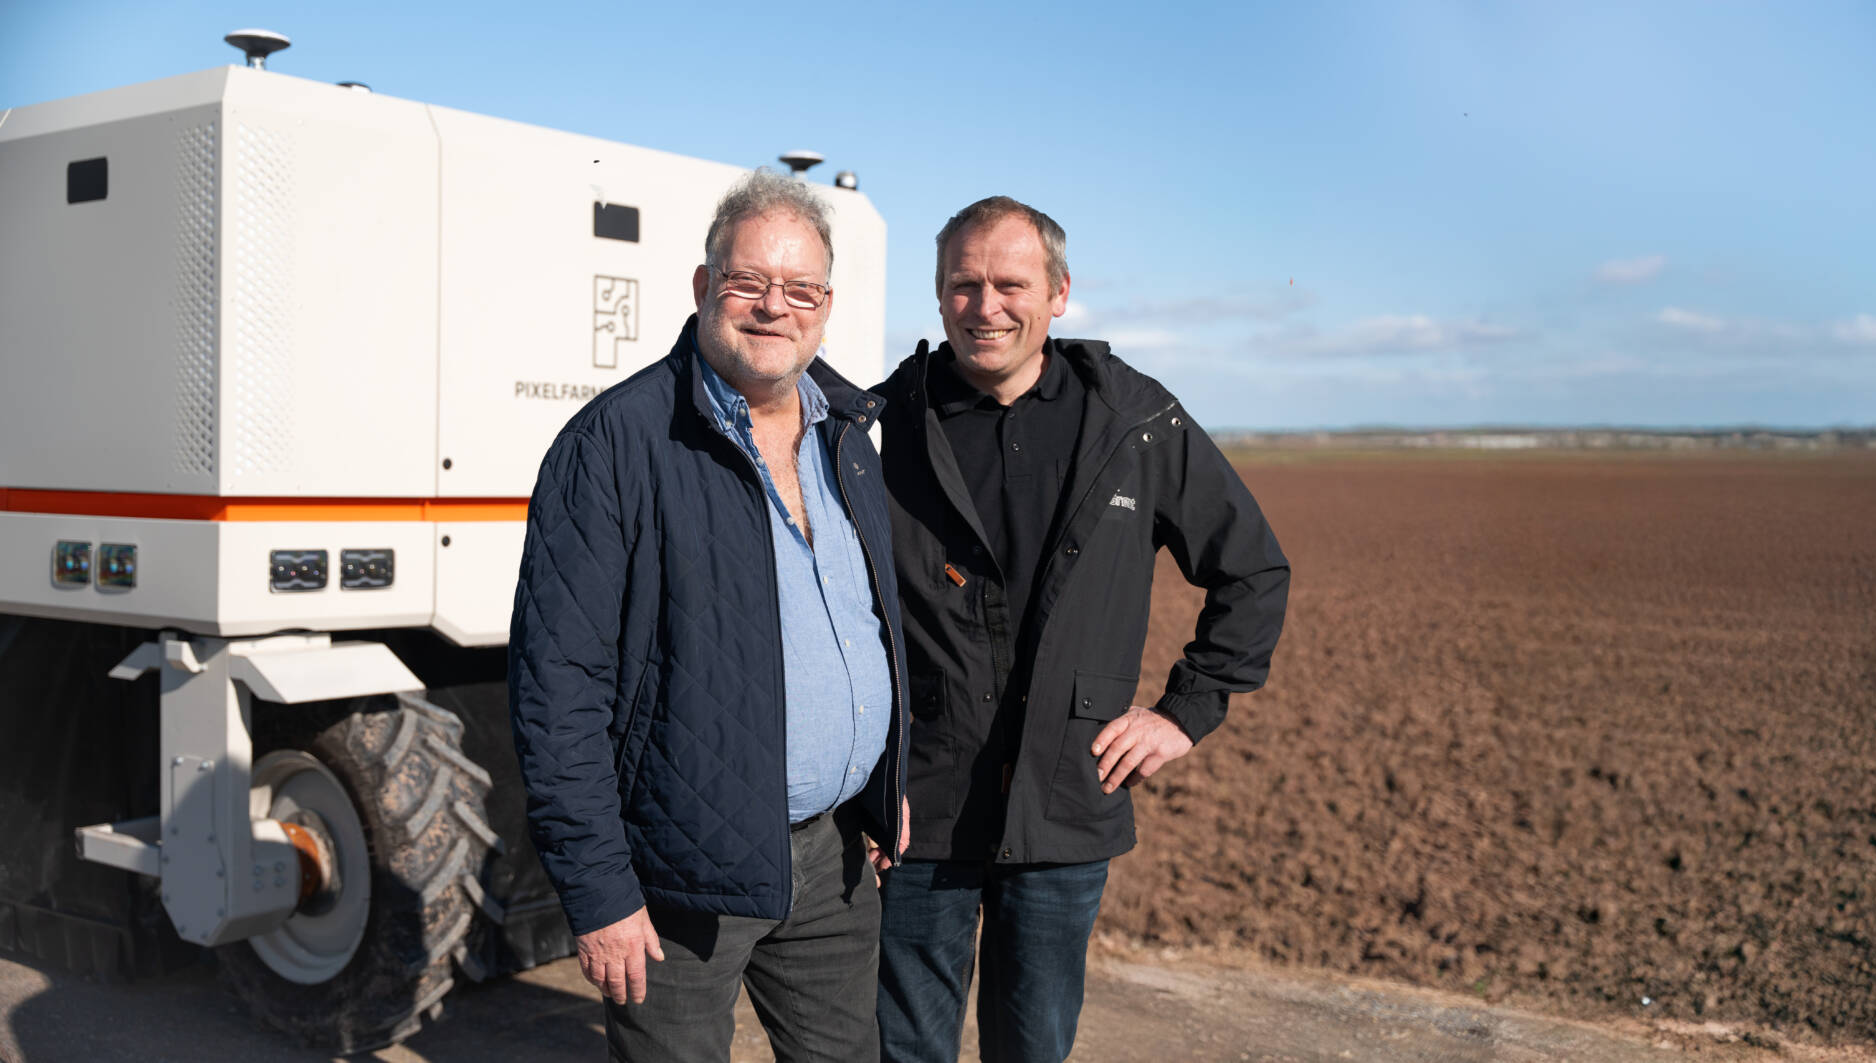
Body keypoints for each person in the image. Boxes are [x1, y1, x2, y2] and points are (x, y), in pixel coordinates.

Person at [871, 197, 1290, 1063]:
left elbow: (1251, 570)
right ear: (939, 294)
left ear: (1059, 293)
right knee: (905, 1048)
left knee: (1033, 1044)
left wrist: (1185, 711)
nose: (985, 306)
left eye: (1009, 284)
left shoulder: (1133, 423)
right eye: (963, 284)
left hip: (1064, 797)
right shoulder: (883, 426)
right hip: (920, 803)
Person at [508, 170, 908, 1063]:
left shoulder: (846, 434)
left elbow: (873, 623)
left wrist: (884, 781)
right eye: (747, 282)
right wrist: (601, 892)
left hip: (835, 859)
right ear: (701, 288)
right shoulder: (615, 444)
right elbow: (557, 687)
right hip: (679, 875)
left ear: (827, 306)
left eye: (800, 289)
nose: (774, 307)